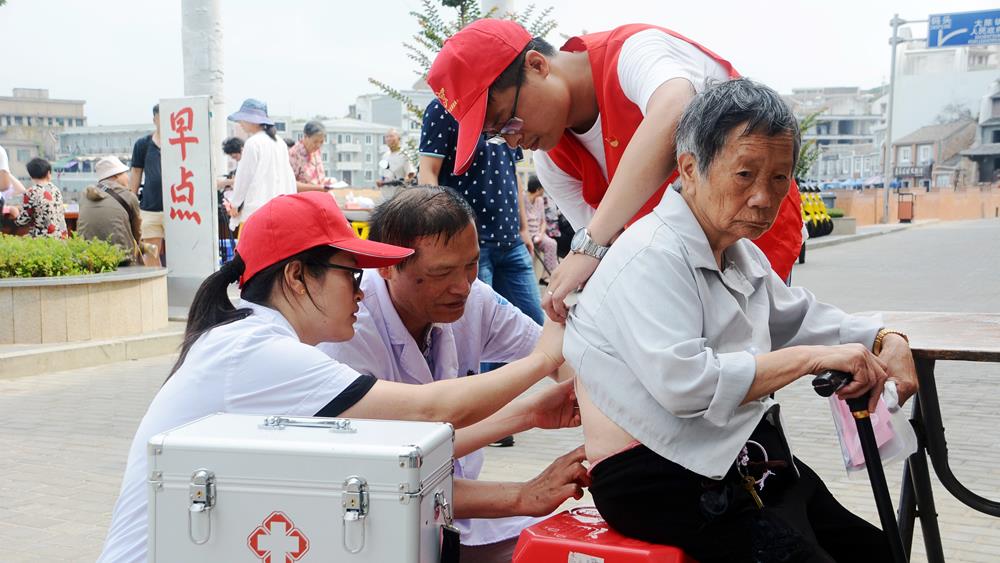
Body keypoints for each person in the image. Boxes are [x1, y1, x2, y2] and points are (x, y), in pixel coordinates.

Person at [97, 190, 572, 563]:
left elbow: (398, 453)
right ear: (297, 276)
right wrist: (545, 357)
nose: (361, 293)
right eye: (351, 275)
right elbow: (430, 413)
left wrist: (528, 414)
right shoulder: (260, 352)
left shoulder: (248, 340)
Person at [564, 79, 918, 562]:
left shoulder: (740, 253)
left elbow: (800, 317)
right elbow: (686, 385)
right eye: (745, 175)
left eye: (779, 178)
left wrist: (884, 337)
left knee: (876, 551)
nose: (763, 197)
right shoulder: (651, 254)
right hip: (655, 475)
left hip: (732, 453)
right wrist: (811, 360)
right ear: (690, 169)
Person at [426, 19, 803, 322]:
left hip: (752, 241)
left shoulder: (635, 52)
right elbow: (615, 253)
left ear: (537, 65)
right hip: (680, 274)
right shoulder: (552, 159)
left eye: (507, 121)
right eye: (496, 135)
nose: (512, 141)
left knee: (755, 362)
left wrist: (590, 243)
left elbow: (674, 111)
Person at [319, 186, 586, 562]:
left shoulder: (475, 298)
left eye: (472, 264)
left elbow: (564, 359)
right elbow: (392, 474)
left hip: (458, 510)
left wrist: (588, 401)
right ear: (386, 266)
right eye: (441, 272)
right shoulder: (346, 336)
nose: (462, 287)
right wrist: (523, 494)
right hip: (375, 526)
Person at [419, 98, 544, 325]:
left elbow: (513, 174)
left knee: (534, 324)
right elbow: (428, 172)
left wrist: (523, 228)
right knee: (478, 330)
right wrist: (441, 232)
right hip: (470, 245)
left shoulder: (506, 105)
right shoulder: (444, 107)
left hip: (512, 241)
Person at [226, 98, 297, 227]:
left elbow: (244, 178)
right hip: (279, 212)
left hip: (256, 214)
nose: (240, 123)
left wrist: (235, 204)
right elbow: (289, 177)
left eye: (242, 119)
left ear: (252, 120)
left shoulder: (253, 143)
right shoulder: (279, 142)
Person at [78, 156, 143, 264]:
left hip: (88, 257)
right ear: (116, 175)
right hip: (122, 258)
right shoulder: (128, 196)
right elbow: (137, 232)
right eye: (125, 173)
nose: (127, 177)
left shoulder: (85, 196)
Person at [128, 104, 165, 265]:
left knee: (182, 253)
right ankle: (156, 281)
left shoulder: (182, 144)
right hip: (150, 208)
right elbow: (136, 172)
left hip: (178, 210)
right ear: (155, 119)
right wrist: (131, 200)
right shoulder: (143, 144)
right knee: (151, 253)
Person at [13, 157, 68, 238]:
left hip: (42, 239)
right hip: (62, 237)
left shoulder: (31, 192)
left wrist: (14, 212)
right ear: (48, 173)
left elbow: (22, 221)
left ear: (31, 175)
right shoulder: (56, 190)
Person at [524, 176, 558, 283]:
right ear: (538, 189)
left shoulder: (540, 201)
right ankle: (528, 281)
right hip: (526, 236)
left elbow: (543, 222)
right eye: (543, 188)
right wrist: (528, 237)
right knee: (530, 253)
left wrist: (541, 235)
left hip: (538, 234)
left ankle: (546, 276)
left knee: (551, 244)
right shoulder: (522, 199)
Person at [288, 120, 331, 192]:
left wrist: (327, 183)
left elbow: (316, 179)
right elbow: (291, 184)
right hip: (303, 197)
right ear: (305, 137)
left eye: (321, 142)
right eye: (315, 142)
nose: (318, 145)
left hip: (319, 195)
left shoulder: (316, 152)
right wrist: (318, 188)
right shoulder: (294, 154)